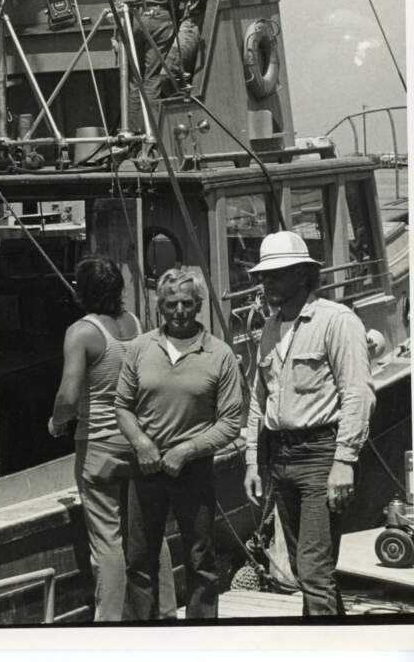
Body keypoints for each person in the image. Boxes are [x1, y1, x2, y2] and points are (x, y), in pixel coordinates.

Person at [243, 231, 375, 615]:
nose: (267, 282)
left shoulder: (337, 321)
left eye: (277, 274)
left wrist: (344, 460)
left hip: (322, 456)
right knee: (307, 572)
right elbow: (259, 398)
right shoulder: (271, 327)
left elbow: (357, 392)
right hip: (281, 459)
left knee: (314, 572)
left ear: (303, 274)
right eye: (264, 275)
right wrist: (253, 460)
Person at [48, 256, 176, 621]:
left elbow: (69, 398)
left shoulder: (81, 333)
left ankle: (110, 623)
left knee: (108, 541)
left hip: (99, 448)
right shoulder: (135, 324)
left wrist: (57, 423)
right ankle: (165, 612)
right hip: (138, 442)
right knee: (150, 532)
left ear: (82, 291)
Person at [115, 267, 242, 619]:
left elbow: (232, 421)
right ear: (160, 307)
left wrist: (187, 450)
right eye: (172, 304)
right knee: (139, 560)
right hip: (146, 468)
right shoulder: (141, 348)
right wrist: (141, 443)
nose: (180, 311)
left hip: (194, 470)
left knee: (200, 559)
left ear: (199, 304)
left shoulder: (220, 354)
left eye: (188, 303)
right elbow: (122, 406)